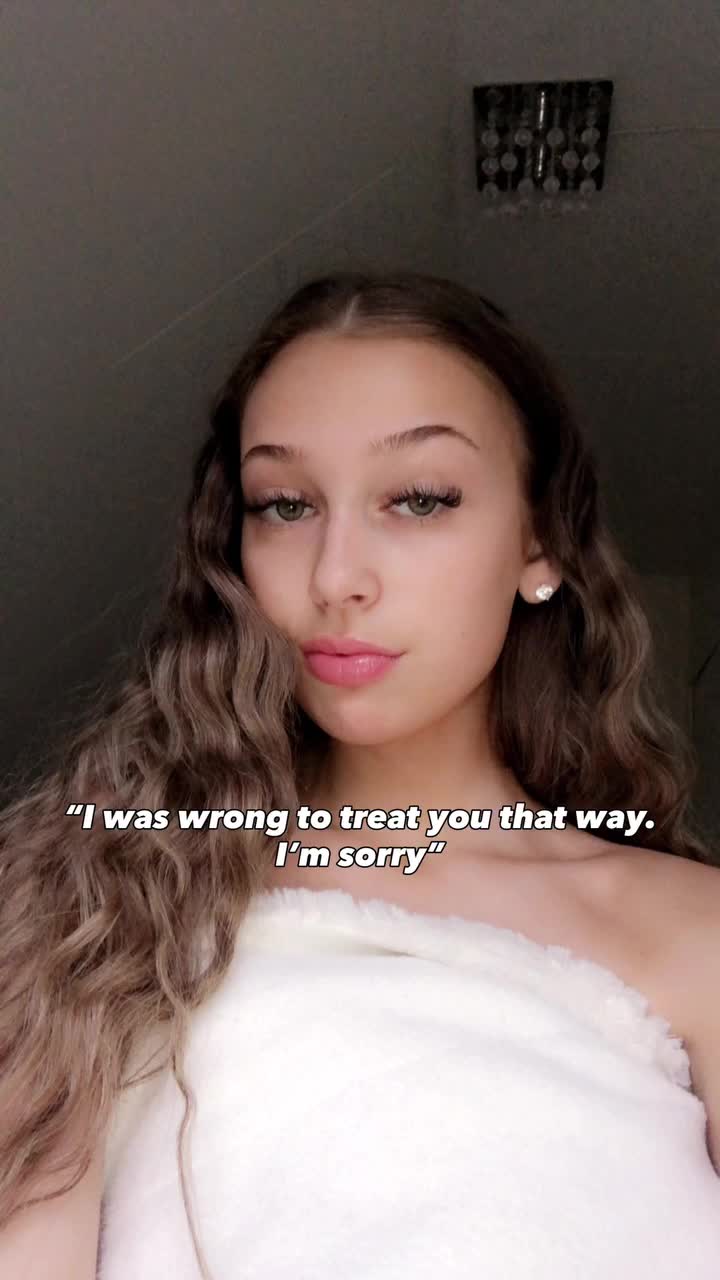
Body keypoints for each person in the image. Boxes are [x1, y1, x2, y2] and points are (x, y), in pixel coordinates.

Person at [1, 270, 718, 1280]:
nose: (336, 575)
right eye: (285, 505)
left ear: (540, 540)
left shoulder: (695, 933)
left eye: (419, 499)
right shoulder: (104, 899)